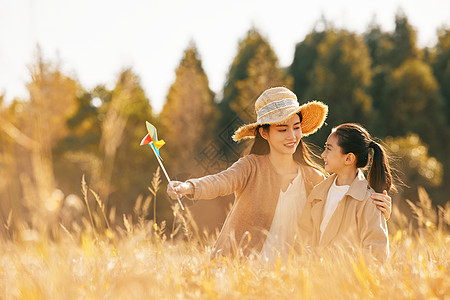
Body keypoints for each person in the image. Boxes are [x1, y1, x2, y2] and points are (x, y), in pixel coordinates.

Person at [167, 87, 391, 260]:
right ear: (264, 133)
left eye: (296, 127)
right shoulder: (251, 166)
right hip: (246, 267)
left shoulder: (315, 177)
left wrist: (380, 212)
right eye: (282, 129)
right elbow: (221, 181)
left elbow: (338, 215)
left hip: (292, 275)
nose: (292, 136)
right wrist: (189, 187)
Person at [300, 123, 393, 263]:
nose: (323, 154)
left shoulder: (369, 201)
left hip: (346, 282)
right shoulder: (317, 193)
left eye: (329, 149)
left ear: (348, 158)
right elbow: (301, 237)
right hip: (313, 280)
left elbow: (376, 255)